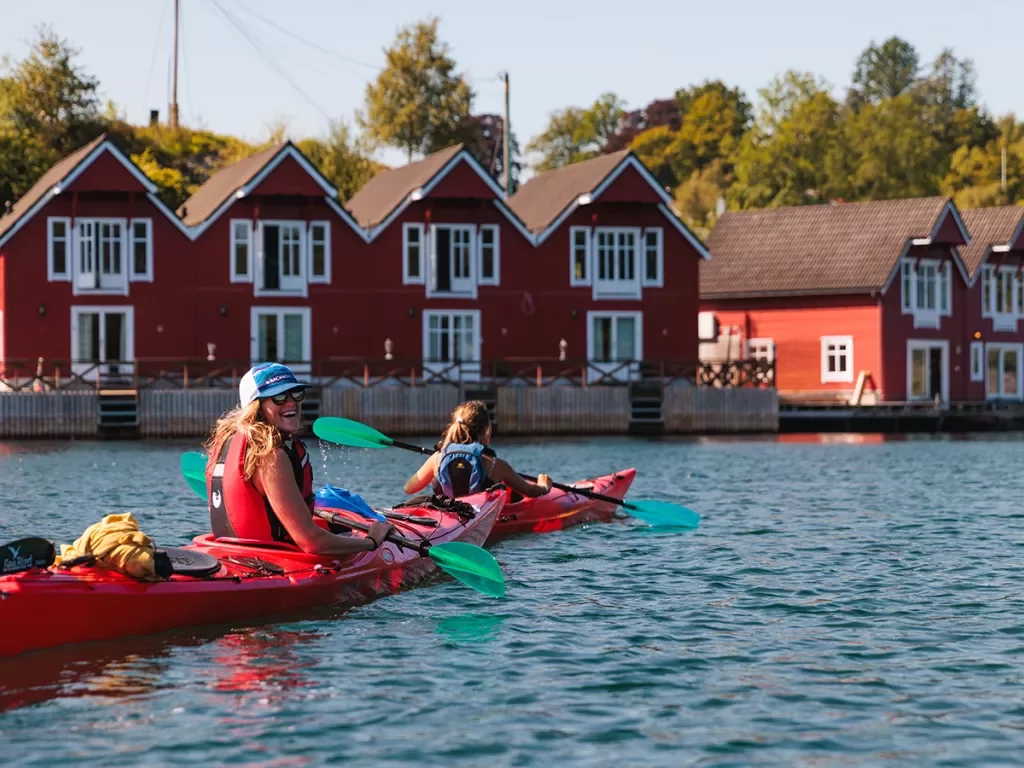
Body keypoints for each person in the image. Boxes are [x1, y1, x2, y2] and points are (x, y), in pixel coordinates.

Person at [205, 362, 394, 555]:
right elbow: (311, 543)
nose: (291, 403)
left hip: (228, 553)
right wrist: (372, 541)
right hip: (270, 561)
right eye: (279, 397)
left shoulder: (223, 446)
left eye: (296, 394)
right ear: (257, 407)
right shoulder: (271, 457)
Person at [404, 400, 552, 499]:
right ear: (486, 431)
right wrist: (544, 486)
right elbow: (529, 491)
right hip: (476, 518)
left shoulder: (437, 458)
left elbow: (408, 489)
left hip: (446, 516)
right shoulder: (496, 465)